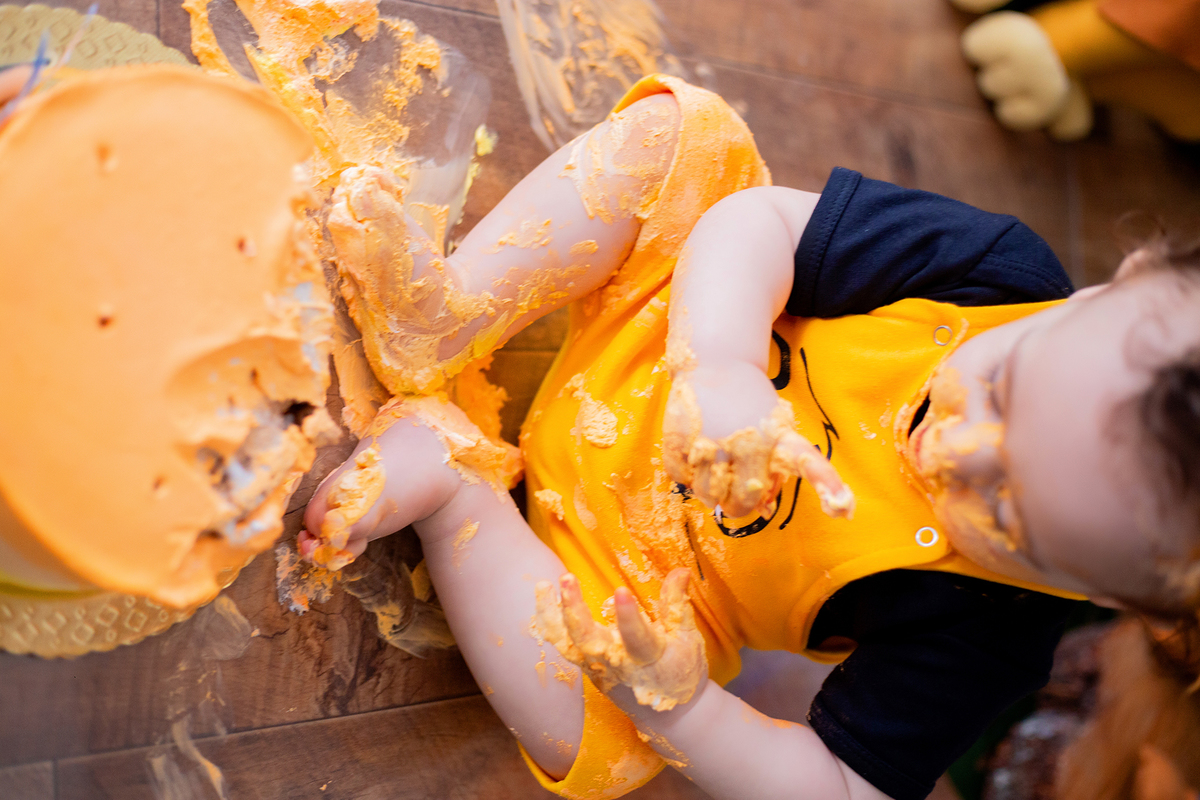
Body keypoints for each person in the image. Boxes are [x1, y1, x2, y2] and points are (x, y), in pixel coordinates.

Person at [302, 74, 1200, 800]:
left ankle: (455, 480)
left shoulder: (991, 639)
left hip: (627, 584)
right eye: (1000, 389)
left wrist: (685, 709)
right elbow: (759, 223)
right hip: (658, 329)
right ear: (1098, 293)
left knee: (606, 749)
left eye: (1009, 513)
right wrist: (722, 366)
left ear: (1103, 597)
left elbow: (845, 786)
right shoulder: (994, 275)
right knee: (689, 141)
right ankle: (447, 317)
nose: (954, 453)